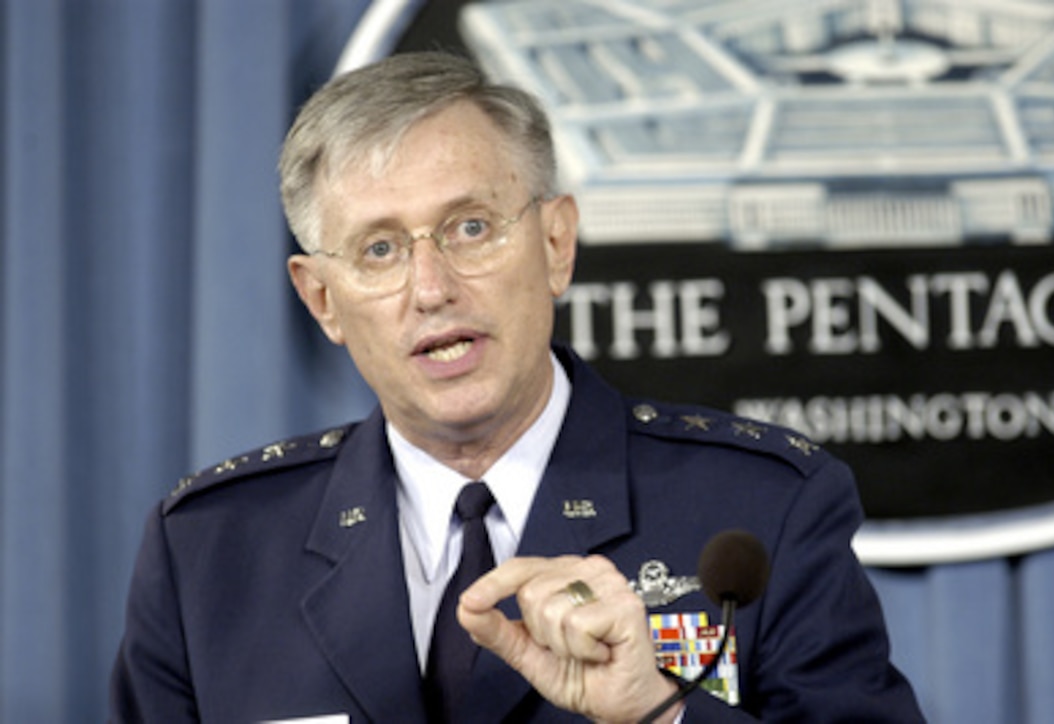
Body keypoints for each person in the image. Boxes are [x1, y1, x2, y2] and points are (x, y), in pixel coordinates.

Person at [110, 51, 924, 723]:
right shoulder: (211, 553)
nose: (431, 288)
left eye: (471, 228)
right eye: (380, 250)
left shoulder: (761, 512)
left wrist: (663, 714)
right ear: (323, 298)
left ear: (557, 243)